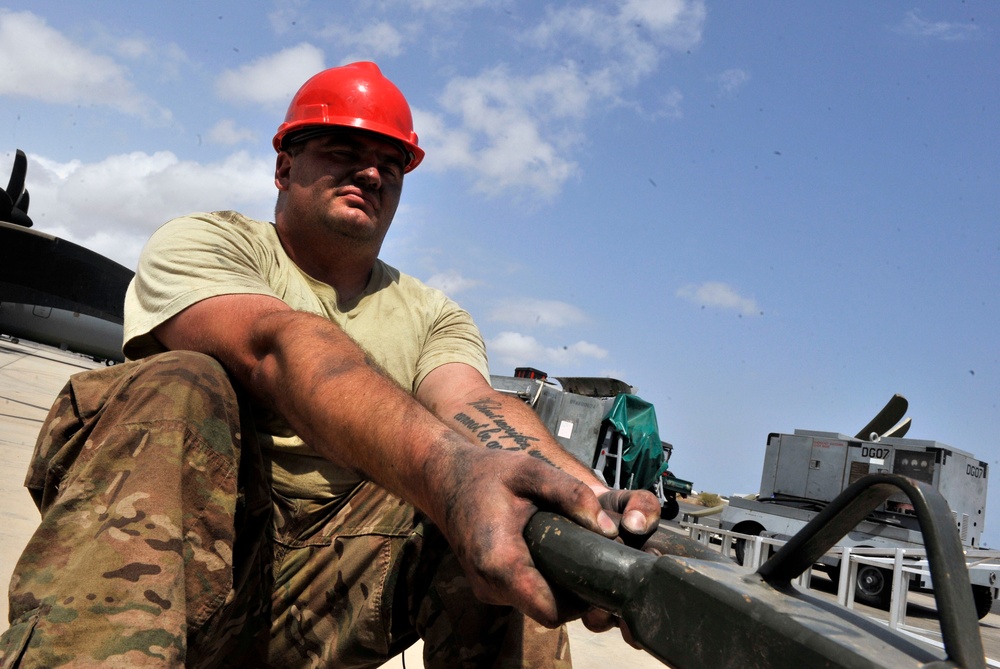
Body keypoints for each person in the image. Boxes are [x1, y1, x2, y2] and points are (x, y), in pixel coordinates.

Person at [0, 62, 659, 668]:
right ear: (284, 168)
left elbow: (474, 406)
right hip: (173, 567)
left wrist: (597, 513)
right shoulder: (209, 243)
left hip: (328, 595)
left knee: (514, 516)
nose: (371, 173)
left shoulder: (433, 314)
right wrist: (450, 472)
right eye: (344, 151)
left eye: (390, 163)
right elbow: (276, 346)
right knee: (181, 382)